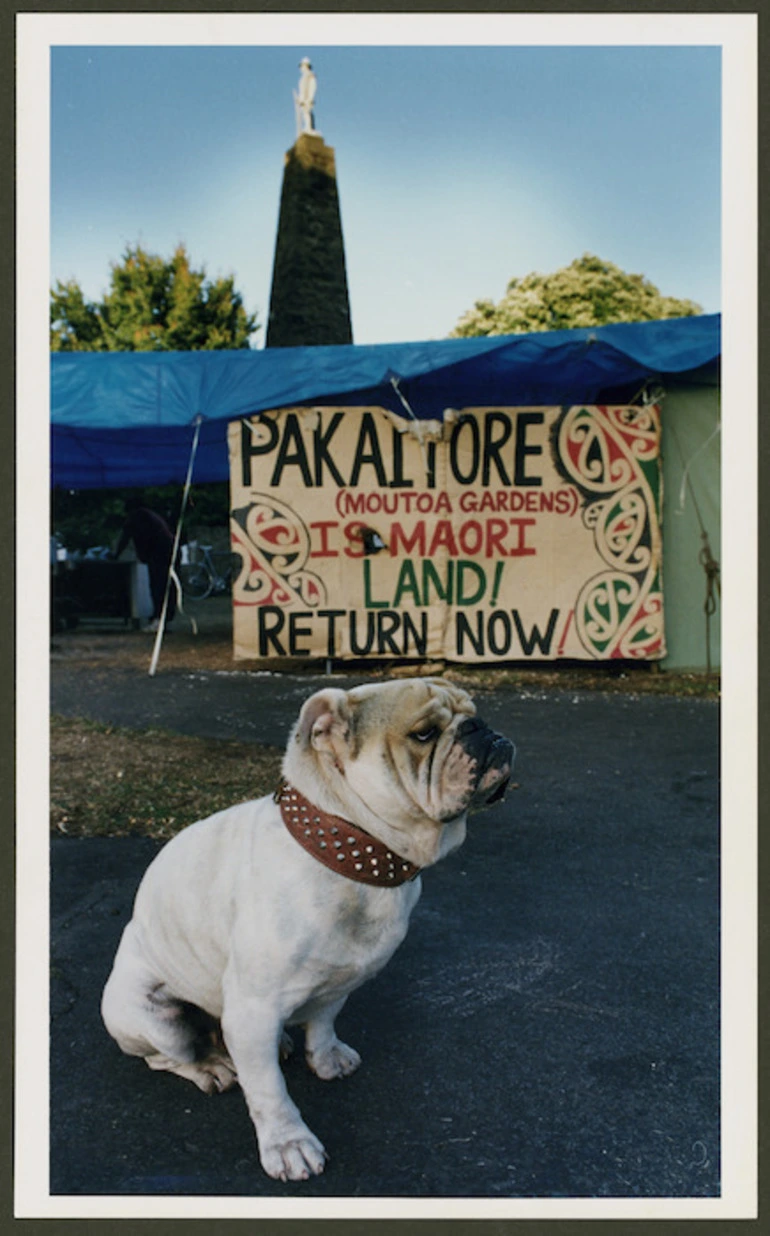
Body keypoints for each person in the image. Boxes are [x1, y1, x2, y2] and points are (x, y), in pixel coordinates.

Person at [113, 497, 178, 631]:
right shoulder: (150, 515)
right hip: (168, 552)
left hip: (159, 554)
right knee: (166, 587)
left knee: (158, 586)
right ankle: (164, 618)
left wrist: (115, 555)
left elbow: (125, 537)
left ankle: (159, 619)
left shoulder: (138, 516)